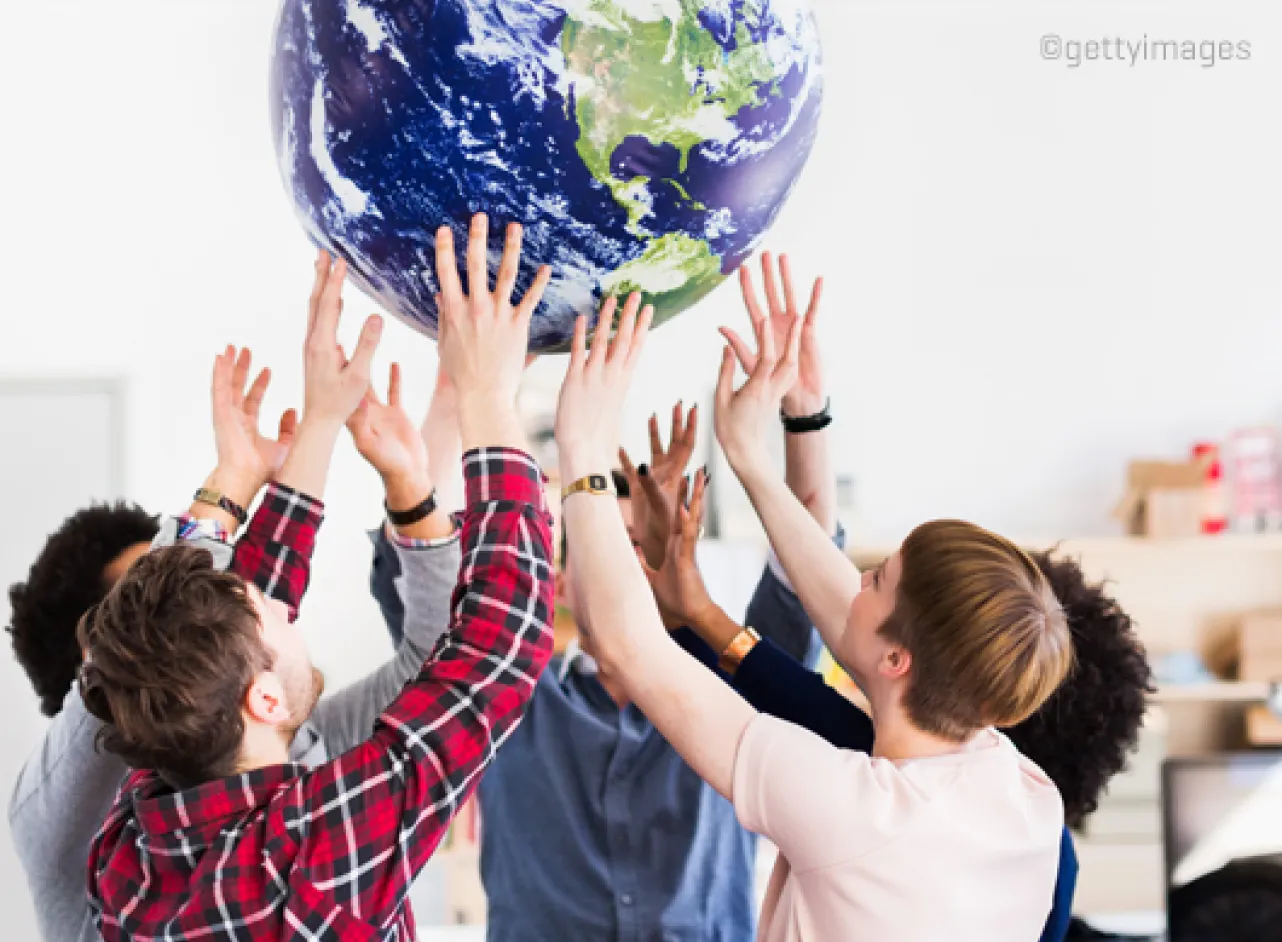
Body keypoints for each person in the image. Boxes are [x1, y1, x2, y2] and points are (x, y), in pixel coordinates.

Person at [632, 263, 1154, 942]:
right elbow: (831, 669)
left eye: (878, 581)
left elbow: (643, 653)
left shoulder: (868, 810)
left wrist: (589, 462)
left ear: (903, 662)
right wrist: (797, 423)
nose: (861, 581)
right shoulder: (1023, 803)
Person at [78, 216, 557, 941]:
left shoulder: (135, 856)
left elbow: (219, 643)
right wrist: (489, 395)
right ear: (264, 699)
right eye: (276, 614)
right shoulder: (304, 860)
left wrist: (321, 425)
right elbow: (496, 652)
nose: (284, 602)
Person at [373, 255, 832, 942]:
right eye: (602, 541)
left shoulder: (730, 691)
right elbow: (418, 573)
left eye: (640, 545)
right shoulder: (507, 698)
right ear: (557, 581)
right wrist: (457, 395)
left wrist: (804, 417)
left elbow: (809, 578)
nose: (630, 564)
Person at [8, 332, 464, 940]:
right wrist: (226, 488)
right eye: (165, 604)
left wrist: (335, 434)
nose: (207, 602)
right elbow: (472, 666)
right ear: (96, 663)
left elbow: (431, 664)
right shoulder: (57, 820)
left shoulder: (295, 744)